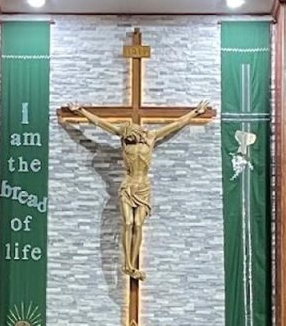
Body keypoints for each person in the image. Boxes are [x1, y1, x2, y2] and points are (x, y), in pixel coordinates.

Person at [67, 100, 209, 280]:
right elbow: (100, 124)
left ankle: (133, 263)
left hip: (143, 188)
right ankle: (127, 265)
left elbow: (176, 124)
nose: (128, 140)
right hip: (127, 186)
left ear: (138, 133)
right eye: (127, 139)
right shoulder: (123, 136)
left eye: (131, 137)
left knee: (138, 224)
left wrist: (195, 112)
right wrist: (81, 111)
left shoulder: (151, 137)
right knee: (127, 223)